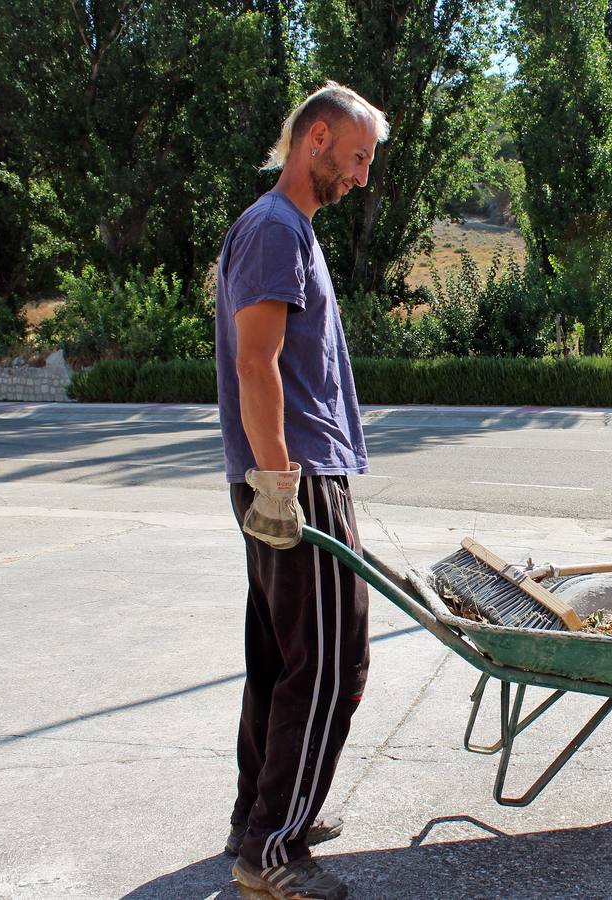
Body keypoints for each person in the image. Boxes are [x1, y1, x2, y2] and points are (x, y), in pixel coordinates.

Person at [213, 82, 388, 900]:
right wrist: (278, 482)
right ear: (316, 138)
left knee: (283, 658)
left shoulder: (286, 229)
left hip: (292, 475)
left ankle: (259, 818)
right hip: (295, 478)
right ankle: (273, 851)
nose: (361, 175)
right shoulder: (277, 229)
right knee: (330, 666)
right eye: (356, 156)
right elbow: (256, 364)